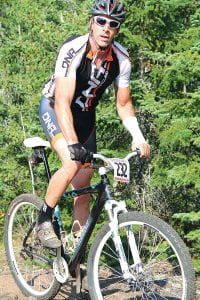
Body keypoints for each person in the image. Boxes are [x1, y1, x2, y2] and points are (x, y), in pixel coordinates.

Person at [37, 0, 150, 248]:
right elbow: (63, 102)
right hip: (55, 108)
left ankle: (76, 254)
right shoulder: (73, 49)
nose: (106, 27)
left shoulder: (122, 60)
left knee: (84, 188)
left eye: (113, 24)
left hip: (86, 118)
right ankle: (43, 219)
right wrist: (73, 143)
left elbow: (123, 104)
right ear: (92, 22)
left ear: (117, 30)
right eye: (101, 21)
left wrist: (138, 136)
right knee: (71, 163)